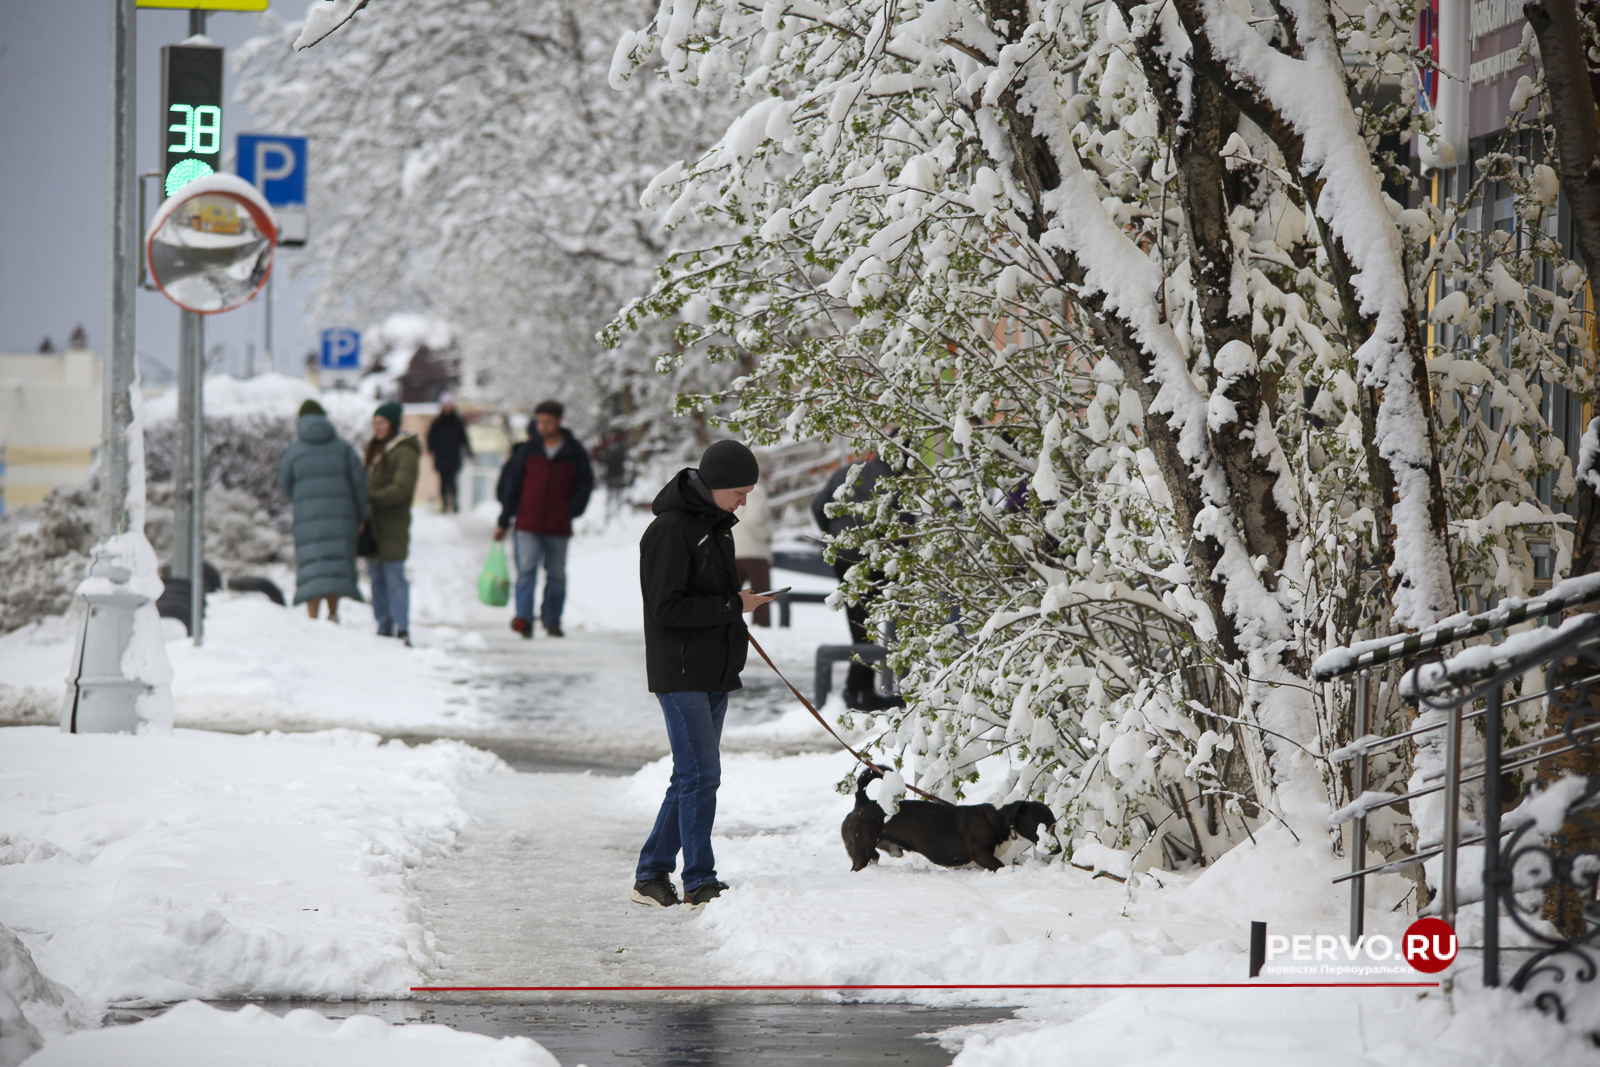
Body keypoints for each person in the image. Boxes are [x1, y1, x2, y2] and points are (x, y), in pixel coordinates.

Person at [632, 440, 774, 909]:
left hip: (714, 668)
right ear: (712, 486)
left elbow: (713, 596)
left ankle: (651, 874)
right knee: (700, 776)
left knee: (690, 777)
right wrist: (736, 605)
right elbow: (667, 608)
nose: (744, 501)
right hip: (682, 671)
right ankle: (699, 881)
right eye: (739, 491)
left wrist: (737, 605)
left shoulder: (717, 528)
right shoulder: (670, 530)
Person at [494, 399, 594, 638]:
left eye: (548, 422)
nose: (543, 426)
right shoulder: (527, 451)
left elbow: (585, 483)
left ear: (559, 422)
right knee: (526, 571)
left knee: (557, 575)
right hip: (527, 523)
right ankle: (524, 620)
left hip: (558, 525)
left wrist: (572, 510)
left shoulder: (574, 452)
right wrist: (504, 520)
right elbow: (513, 487)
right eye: (539, 421)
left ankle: (552, 620)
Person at [812, 452, 903, 711]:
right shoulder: (892, 479)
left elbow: (819, 505)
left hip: (843, 554)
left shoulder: (846, 472)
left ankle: (861, 689)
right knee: (868, 626)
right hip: (875, 557)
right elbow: (903, 520)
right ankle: (856, 690)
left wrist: (831, 533)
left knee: (861, 624)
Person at [277, 399, 367, 622]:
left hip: (307, 518)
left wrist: (303, 497)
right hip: (341, 518)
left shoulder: (294, 451)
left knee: (312, 565)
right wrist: (361, 515)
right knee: (335, 564)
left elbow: (284, 484)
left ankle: (312, 617)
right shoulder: (344, 449)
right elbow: (360, 484)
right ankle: (333, 613)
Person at [364, 401, 420, 644]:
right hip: (373, 525)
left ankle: (401, 626)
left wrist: (372, 498)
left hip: (393, 525)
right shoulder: (375, 450)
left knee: (394, 576)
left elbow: (402, 488)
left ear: (393, 424)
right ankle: (383, 624)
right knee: (376, 577)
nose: (377, 427)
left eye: (382, 423)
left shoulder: (404, 452)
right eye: (374, 423)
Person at [731, 460, 773, 627]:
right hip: (755, 552)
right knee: (761, 598)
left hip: (735, 550)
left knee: (733, 597)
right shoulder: (758, 491)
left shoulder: (735, 490)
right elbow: (754, 520)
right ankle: (762, 630)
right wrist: (766, 536)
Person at [426, 393, 473, 513]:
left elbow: (464, 438)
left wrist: (469, 452)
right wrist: (431, 450)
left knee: (453, 481)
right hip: (441, 456)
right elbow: (431, 438)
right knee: (443, 481)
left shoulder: (457, 422)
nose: (447, 408)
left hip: (453, 456)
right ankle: (444, 504)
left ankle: (455, 503)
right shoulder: (437, 423)